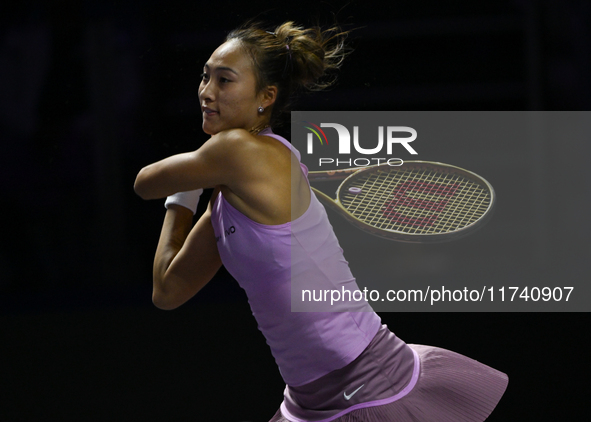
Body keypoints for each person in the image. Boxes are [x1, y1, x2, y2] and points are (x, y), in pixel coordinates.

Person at [134, 21, 508, 422]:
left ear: (266, 97)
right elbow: (168, 290)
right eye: (206, 76)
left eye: (225, 80)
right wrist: (188, 192)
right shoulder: (224, 198)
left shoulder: (238, 150)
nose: (207, 92)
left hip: (368, 385)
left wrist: (189, 178)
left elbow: (143, 183)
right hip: (307, 403)